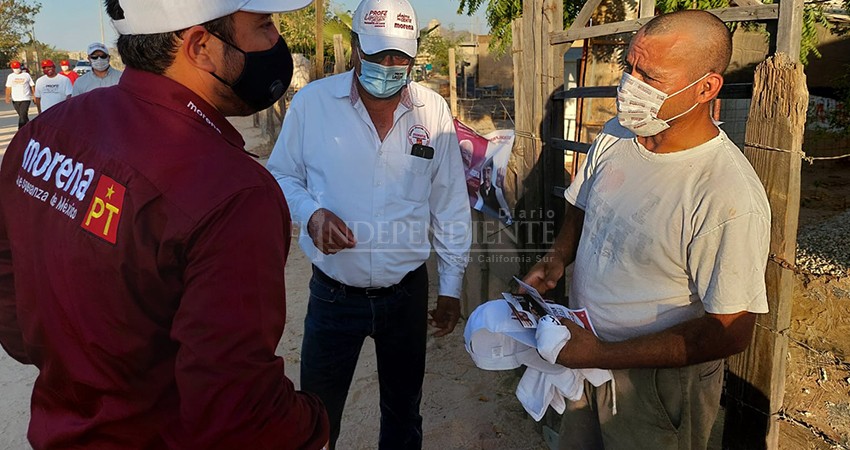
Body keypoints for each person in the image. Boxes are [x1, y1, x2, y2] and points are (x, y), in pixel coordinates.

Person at [0, 0, 329, 448]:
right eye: (265, 25)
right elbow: (239, 416)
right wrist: (314, 427)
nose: (277, 41)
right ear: (201, 46)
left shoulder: (45, 132)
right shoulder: (232, 191)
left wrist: (75, 370)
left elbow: (11, 301)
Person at [521, 10, 771, 450]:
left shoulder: (725, 193)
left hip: (656, 390)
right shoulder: (617, 134)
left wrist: (602, 355)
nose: (628, 87)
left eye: (649, 77)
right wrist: (559, 256)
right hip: (584, 358)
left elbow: (730, 330)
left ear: (707, 88)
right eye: (628, 69)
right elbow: (583, 206)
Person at [267, 0, 472, 447]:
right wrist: (311, 213)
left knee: (403, 413)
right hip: (334, 296)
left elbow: (450, 201)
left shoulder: (432, 112)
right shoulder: (313, 104)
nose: (391, 65)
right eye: (379, 54)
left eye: (401, 55)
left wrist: (452, 286)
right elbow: (280, 175)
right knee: (319, 416)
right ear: (356, 46)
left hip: (406, 296)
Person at [5, 61, 35, 129]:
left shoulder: (26, 75)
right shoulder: (10, 76)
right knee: (23, 116)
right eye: (14, 68)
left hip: (25, 98)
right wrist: (7, 97)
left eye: (17, 68)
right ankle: (30, 127)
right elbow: (8, 87)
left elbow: (32, 86)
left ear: (20, 67)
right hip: (15, 99)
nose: (16, 69)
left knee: (22, 115)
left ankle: (20, 130)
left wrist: (34, 96)